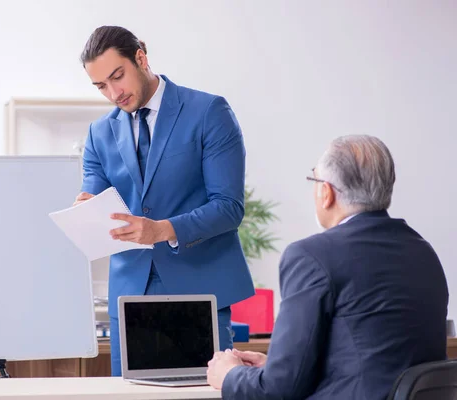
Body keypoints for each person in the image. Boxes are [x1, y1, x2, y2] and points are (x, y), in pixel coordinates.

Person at [207, 135, 449, 399]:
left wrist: (230, 374)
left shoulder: (311, 256)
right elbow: (377, 365)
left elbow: (277, 391)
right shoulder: (424, 252)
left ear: (327, 192)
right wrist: (271, 367)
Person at [75, 25, 255, 376]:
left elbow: (229, 207)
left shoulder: (208, 112)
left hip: (199, 289)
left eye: (117, 76)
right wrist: (85, 210)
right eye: (101, 86)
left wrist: (162, 230)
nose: (113, 93)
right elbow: (95, 199)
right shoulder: (99, 133)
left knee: (204, 392)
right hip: (129, 293)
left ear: (140, 58)